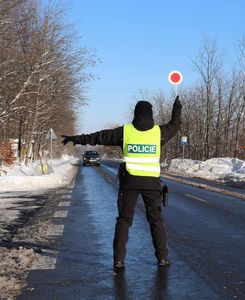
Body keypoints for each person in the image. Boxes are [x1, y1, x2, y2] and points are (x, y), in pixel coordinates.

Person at [61, 95, 182, 273]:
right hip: (151, 184)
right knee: (156, 221)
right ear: (151, 114)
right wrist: (176, 108)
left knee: (124, 221)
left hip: (130, 182)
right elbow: (175, 125)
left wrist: (77, 138)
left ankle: (119, 262)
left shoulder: (125, 131)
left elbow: (100, 137)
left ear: (135, 114)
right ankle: (162, 258)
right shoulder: (159, 132)